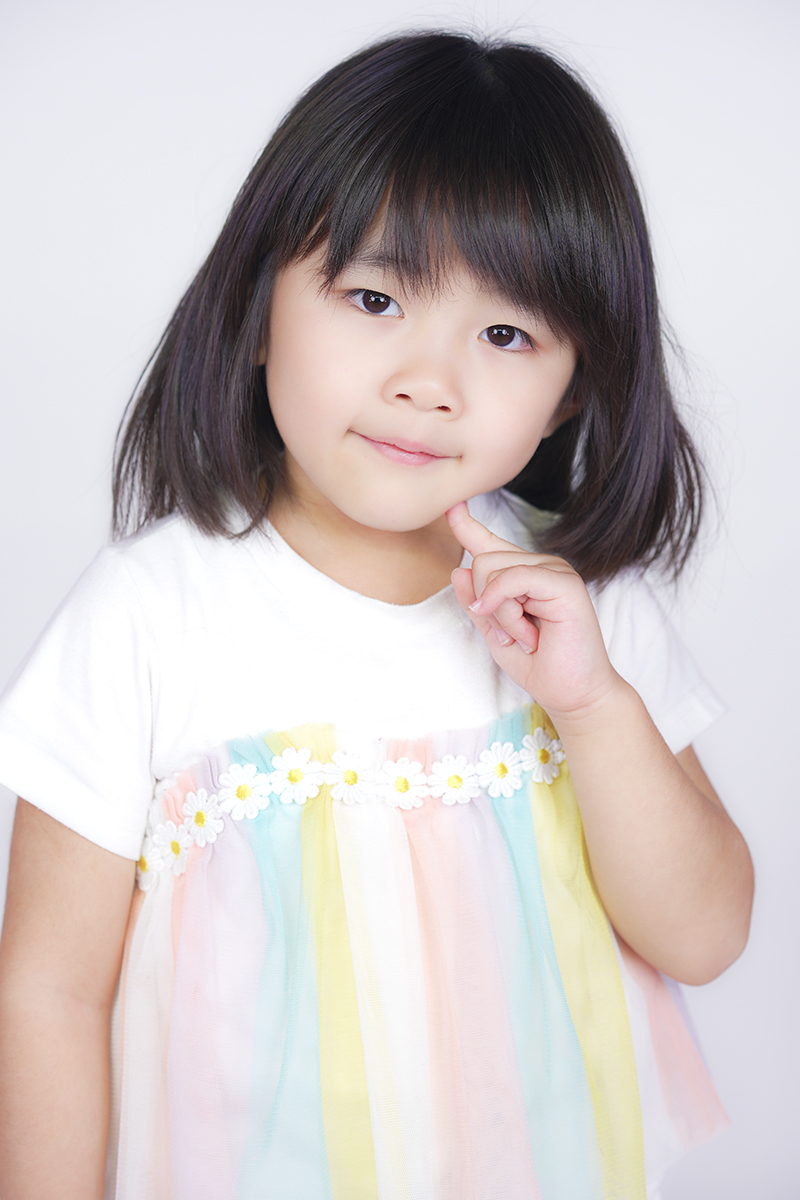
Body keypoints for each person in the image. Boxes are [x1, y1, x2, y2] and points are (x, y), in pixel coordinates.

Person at [0, 30, 753, 1200]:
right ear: (258, 310)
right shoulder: (152, 614)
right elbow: (49, 988)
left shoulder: (578, 601)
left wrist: (592, 707)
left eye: (503, 334)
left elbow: (701, 938)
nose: (428, 381)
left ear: (570, 392)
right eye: (373, 297)